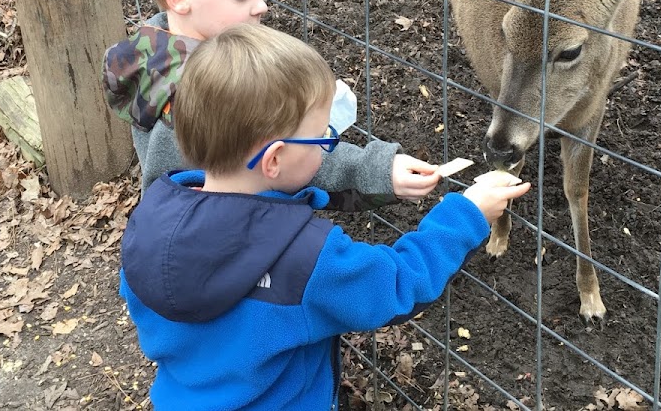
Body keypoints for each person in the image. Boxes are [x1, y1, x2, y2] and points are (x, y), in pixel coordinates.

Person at [119, 23, 531, 410]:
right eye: (322, 138)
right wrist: (466, 214)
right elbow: (399, 283)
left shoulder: (148, 225)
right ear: (275, 159)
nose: (327, 149)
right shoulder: (305, 259)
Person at [103, 0, 440, 209]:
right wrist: (378, 174)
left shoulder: (151, 55)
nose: (262, 5)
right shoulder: (210, 92)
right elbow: (281, 164)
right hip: (233, 248)